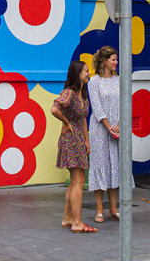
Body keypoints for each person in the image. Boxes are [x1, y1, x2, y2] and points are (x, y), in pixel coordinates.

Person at [51, 59, 96, 233]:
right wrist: (66, 122)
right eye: (86, 71)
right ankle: (77, 222)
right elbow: (54, 109)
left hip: (78, 139)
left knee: (75, 182)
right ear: (78, 74)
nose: (89, 73)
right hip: (70, 139)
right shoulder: (69, 93)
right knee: (78, 181)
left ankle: (68, 219)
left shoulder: (82, 93)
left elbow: (83, 118)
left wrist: (86, 140)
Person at [88, 45, 130, 222]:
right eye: (113, 59)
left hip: (117, 128)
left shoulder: (119, 80)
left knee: (115, 166)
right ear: (104, 61)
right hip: (100, 129)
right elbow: (96, 106)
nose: (116, 62)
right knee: (100, 165)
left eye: (116, 59)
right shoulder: (94, 82)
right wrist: (108, 126)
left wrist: (119, 124)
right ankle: (99, 209)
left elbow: (125, 103)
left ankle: (113, 208)